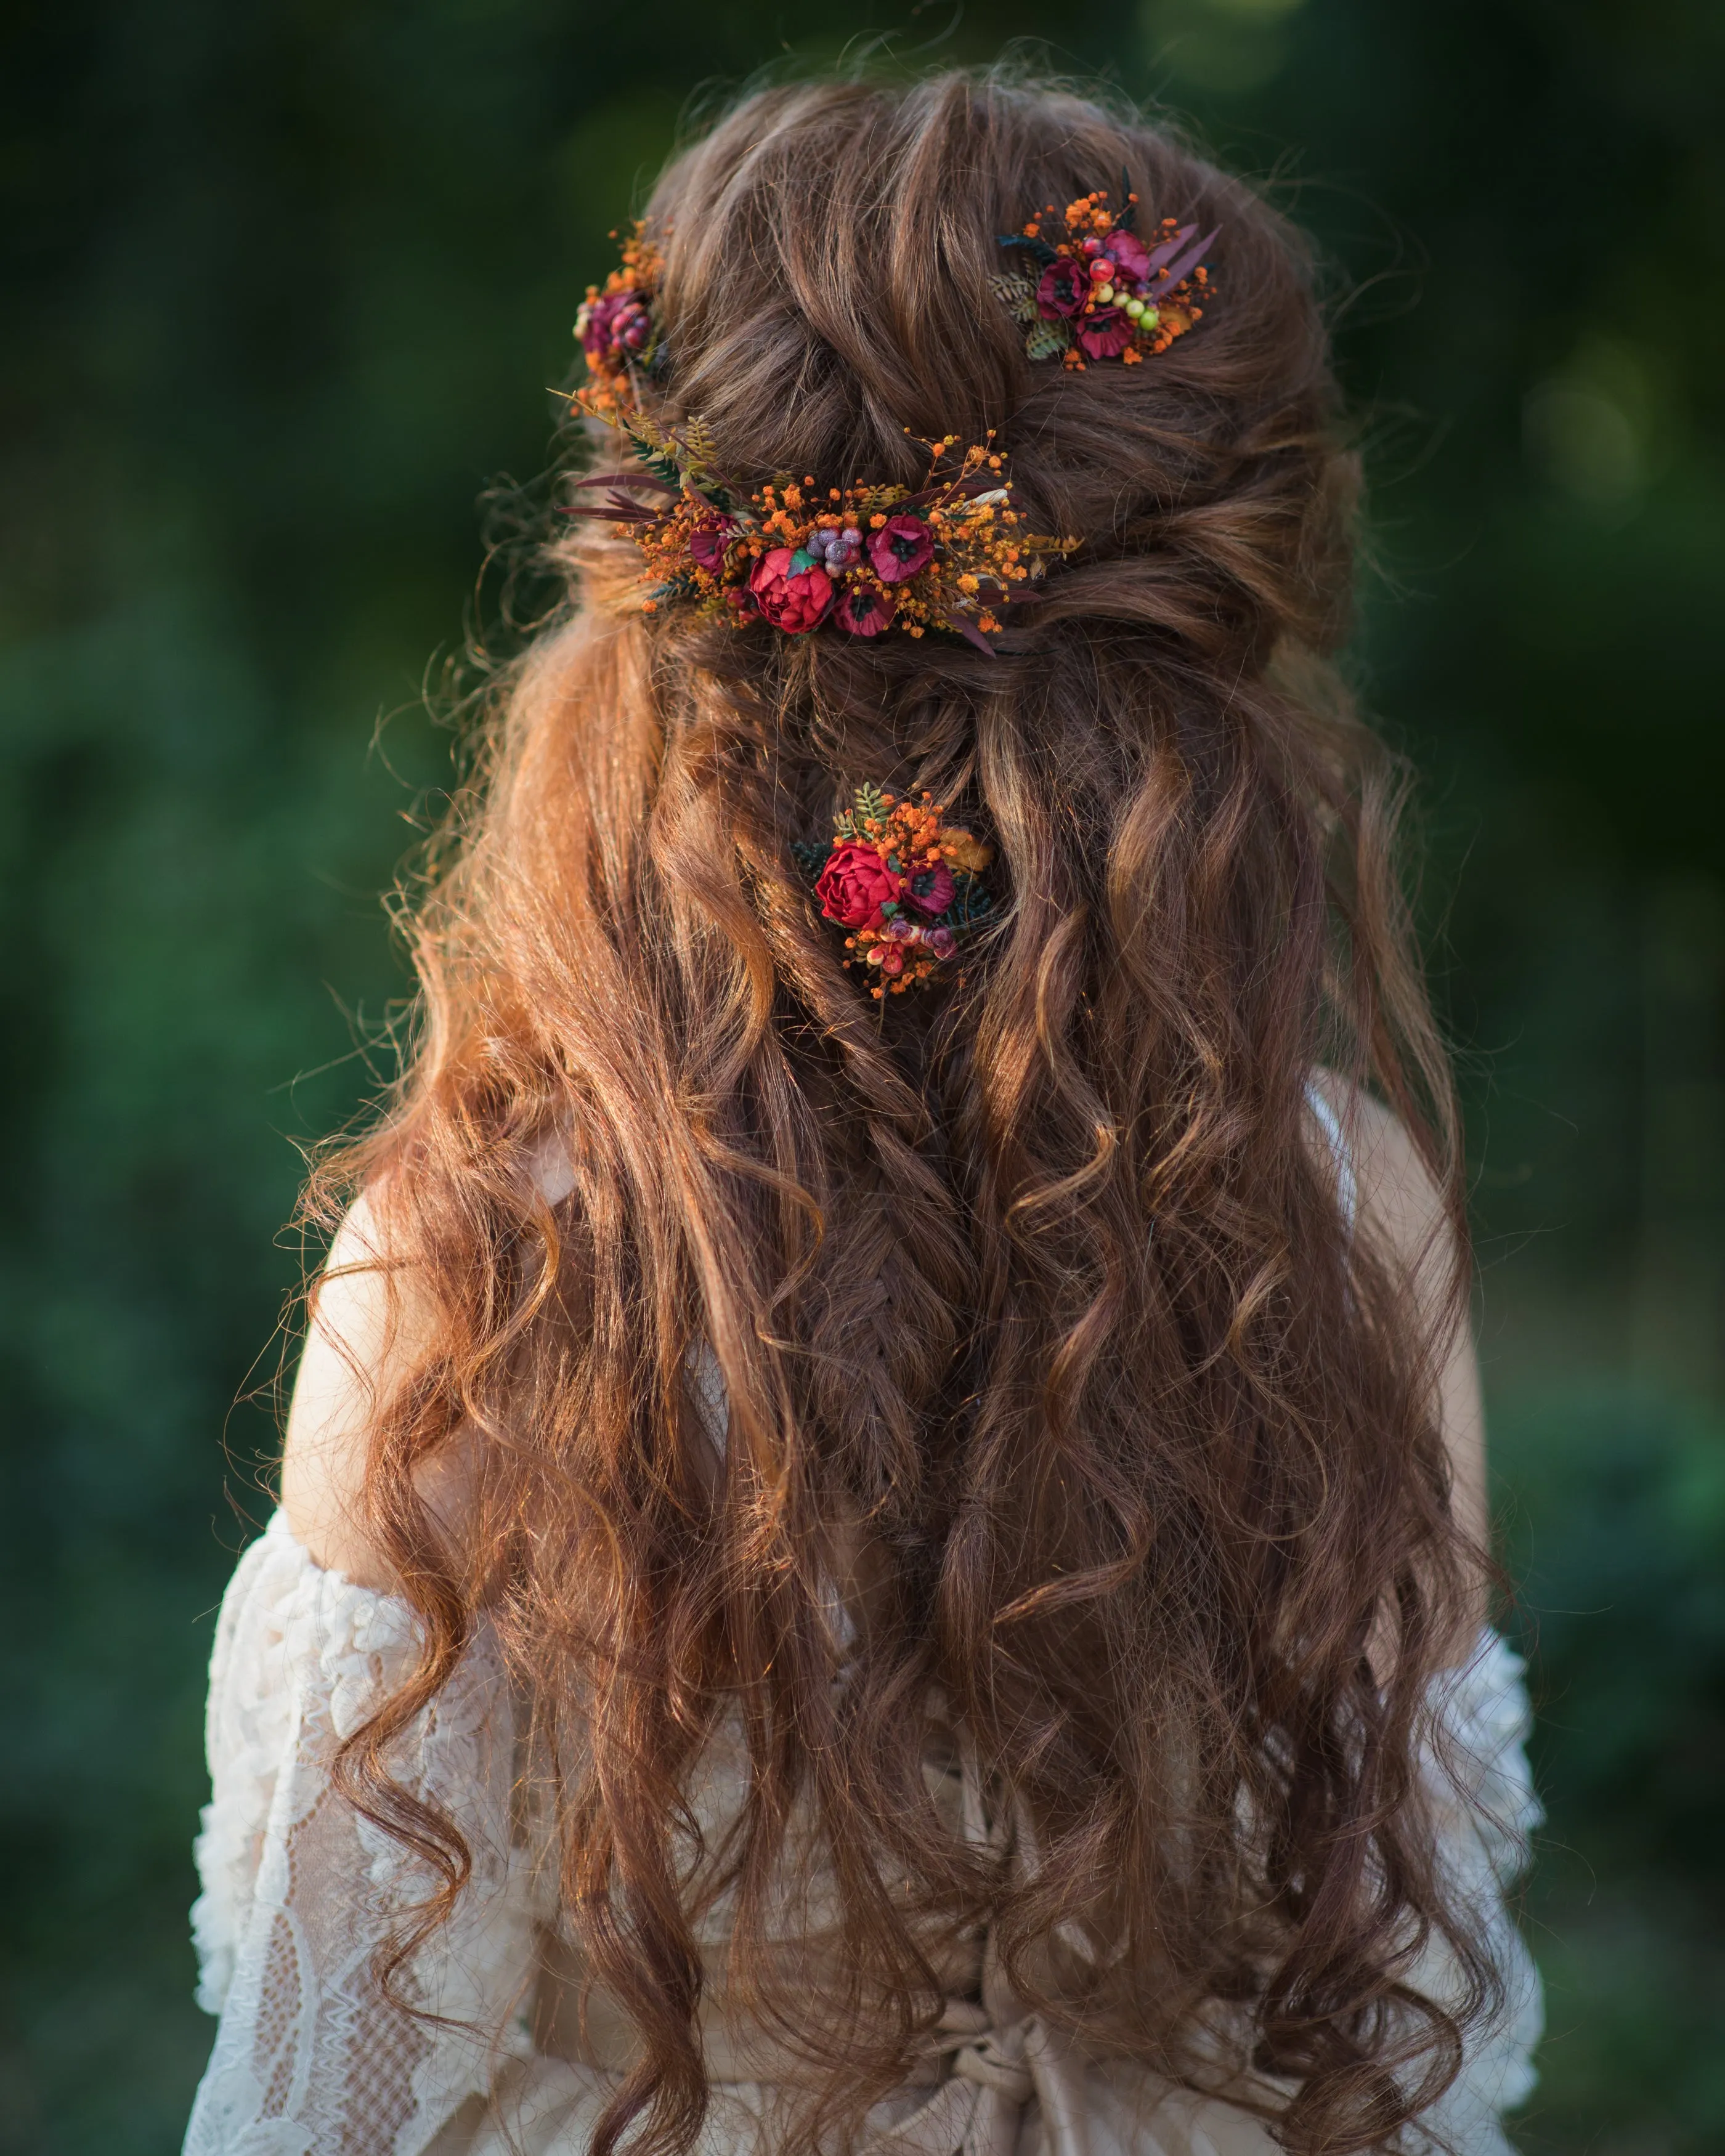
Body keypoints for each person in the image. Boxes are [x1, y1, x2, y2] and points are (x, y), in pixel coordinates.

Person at [181, 69, 1543, 2156]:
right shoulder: (1344, 1208)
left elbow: (313, 2098)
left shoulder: (480, 1253)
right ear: (1226, 651)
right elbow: (1411, 2038)